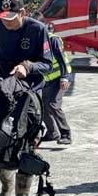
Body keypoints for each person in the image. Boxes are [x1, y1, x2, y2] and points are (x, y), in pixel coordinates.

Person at [0, 0, 52, 196]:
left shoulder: (37, 29)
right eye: (4, 17)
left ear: (23, 13)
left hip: (30, 94)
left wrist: (27, 67)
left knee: (25, 146)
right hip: (2, 90)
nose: (7, 22)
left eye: (12, 17)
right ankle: (6, 185)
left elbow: (47, 64)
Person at [32, 12, 73, 145]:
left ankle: (66, 133)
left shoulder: (53, 40)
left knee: (53, 105)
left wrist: (65, 77)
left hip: (60, 77)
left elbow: (62, 60)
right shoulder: (37, 41)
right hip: (48, 79)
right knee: (43, 105)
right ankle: (52, 133)